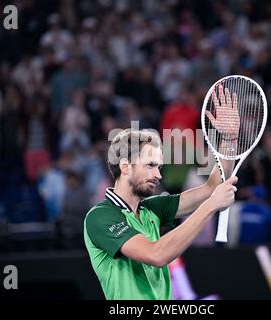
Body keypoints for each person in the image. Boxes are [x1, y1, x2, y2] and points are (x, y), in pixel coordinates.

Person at [84, 85, 237, 300]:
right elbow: (156, 254)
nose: (158, 175)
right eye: (150, 165)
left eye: (158, 167)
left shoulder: (152, 208)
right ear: (126, 166)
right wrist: (211, 206)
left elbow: (212, 188)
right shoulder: (100, 216)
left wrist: (229, 140)